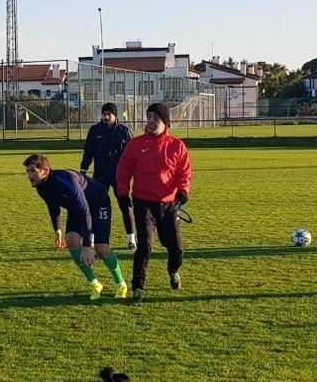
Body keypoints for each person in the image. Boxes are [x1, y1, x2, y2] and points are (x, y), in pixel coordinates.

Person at [24, 153, 128, 300]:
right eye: (27, 171)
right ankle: (95, 284)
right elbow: (53, 207)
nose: (29, 175)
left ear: (45, 171)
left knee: (101, 248)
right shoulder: (41, 186)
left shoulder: (65, 180)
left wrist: (86, 247)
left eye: (33, 171)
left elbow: (85, 211)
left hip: (98, 204)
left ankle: (121, 284)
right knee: (71, 240)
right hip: (77, 208)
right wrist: (57, 230)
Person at [116, 103, 192, 302]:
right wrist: (123, 193)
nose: (150, 122)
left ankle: (173, 271)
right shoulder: (136, 144)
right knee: (145, 245)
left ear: (165, 122)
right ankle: (138, 286)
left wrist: (183, 191)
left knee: (176, 248)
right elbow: (123, 170)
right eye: (148, 117)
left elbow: (184, 172)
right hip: (143, 202)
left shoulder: (177, 146)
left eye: (155, 118)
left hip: (169, 204)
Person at [80, 102, 136, 250]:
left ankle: (131, 239)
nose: (105, 117)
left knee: (125, 207)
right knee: (94, 206)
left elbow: (133, 154)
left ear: (115, 115)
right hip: (99, 175)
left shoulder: (124, 131)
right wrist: (83, 169)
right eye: (104, 114)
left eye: (108, 114)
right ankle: (91, 238)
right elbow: (88, 151)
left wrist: (133, 172)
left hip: (120, 176)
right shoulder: (94, 131)